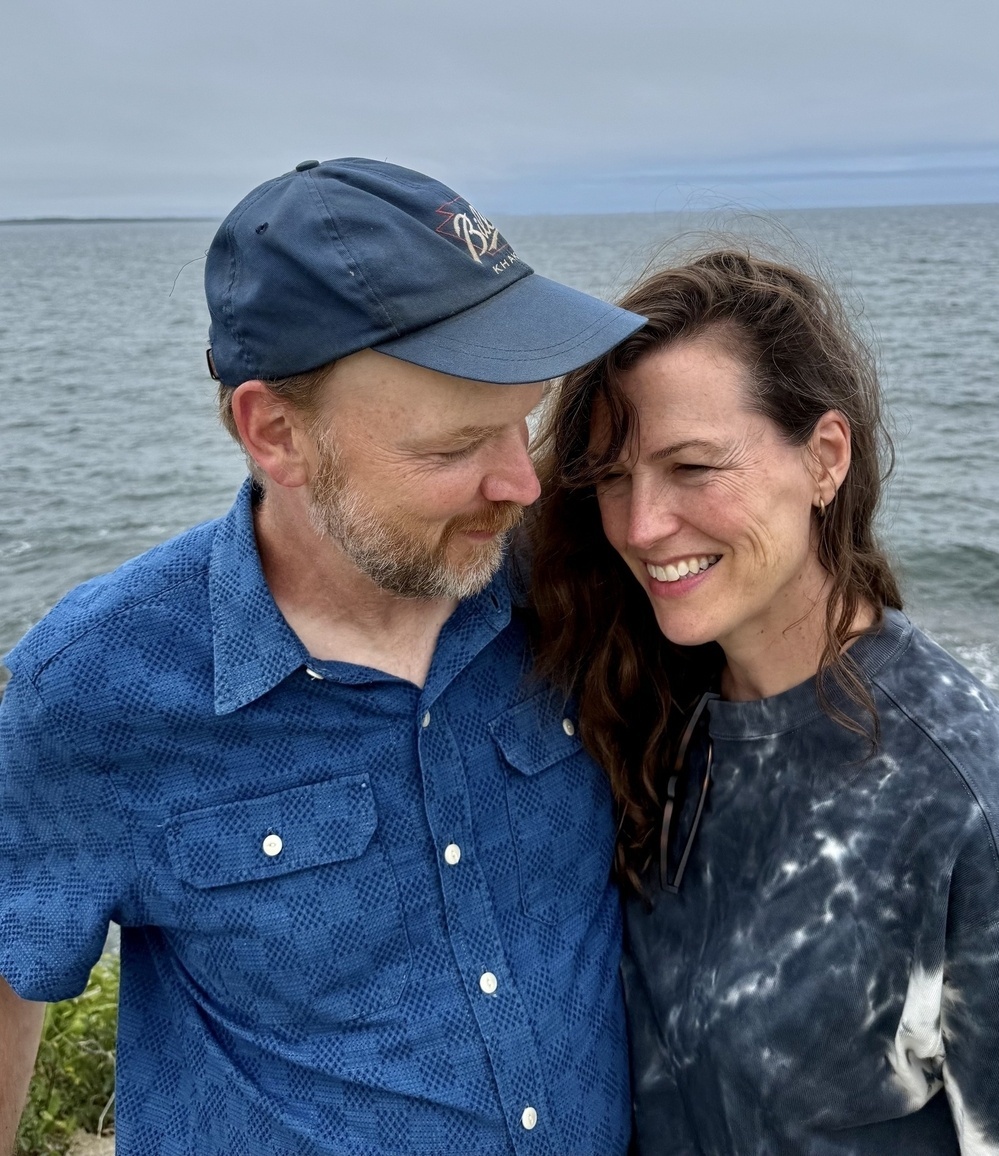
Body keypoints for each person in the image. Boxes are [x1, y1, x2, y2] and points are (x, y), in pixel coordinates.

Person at [0, 158, 647, 1156]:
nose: (520, 482)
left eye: (522, 421)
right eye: (453, 447)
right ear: (275, 434)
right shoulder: (93, 687)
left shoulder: (569, 587)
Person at [529, 250, 999, 1155]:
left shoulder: (959, 800)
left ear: (825, 459)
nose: (640, 526)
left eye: (691, 466)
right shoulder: (647, 710)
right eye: (613, 478)